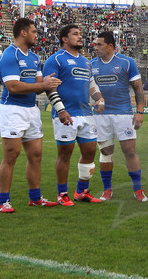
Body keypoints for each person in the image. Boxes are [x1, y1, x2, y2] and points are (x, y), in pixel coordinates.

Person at [0, 18, 62, 213]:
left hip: (31, 110)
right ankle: (3, 201)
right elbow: (13, 86)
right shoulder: (10, 55)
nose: (36, 35)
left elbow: (40, 86)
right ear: (23, 33)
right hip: (12, 109)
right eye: (33, 31)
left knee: (36, 155)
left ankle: (35, 198)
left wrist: (48, 83)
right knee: (11, 155)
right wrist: (42, 85)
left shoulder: (34, 57)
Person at [42, 24, 105, 207]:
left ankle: (81, 191)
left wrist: (99, 98)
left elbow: (91, 84)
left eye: (80, 34)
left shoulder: (86, 62)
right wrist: (61, 109)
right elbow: (49, 87)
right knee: (65, 155)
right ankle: (62, 194)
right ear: (64, 39)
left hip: (86, 114)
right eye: (75, 34)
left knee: (90, 152)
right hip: (66, 114)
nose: (80, 37)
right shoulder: (55, 60)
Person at [91, 30, 148, 202]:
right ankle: (107, 189)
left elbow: (138, 89)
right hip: (101, 115)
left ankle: (138, 190)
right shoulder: (91, 64)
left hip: (123, 114)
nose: (95, 47)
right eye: (95, 44)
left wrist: (139, 112)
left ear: (110, 46)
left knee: (129, 151)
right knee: (106, 151)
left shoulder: (126, 62)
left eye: (99, 44)